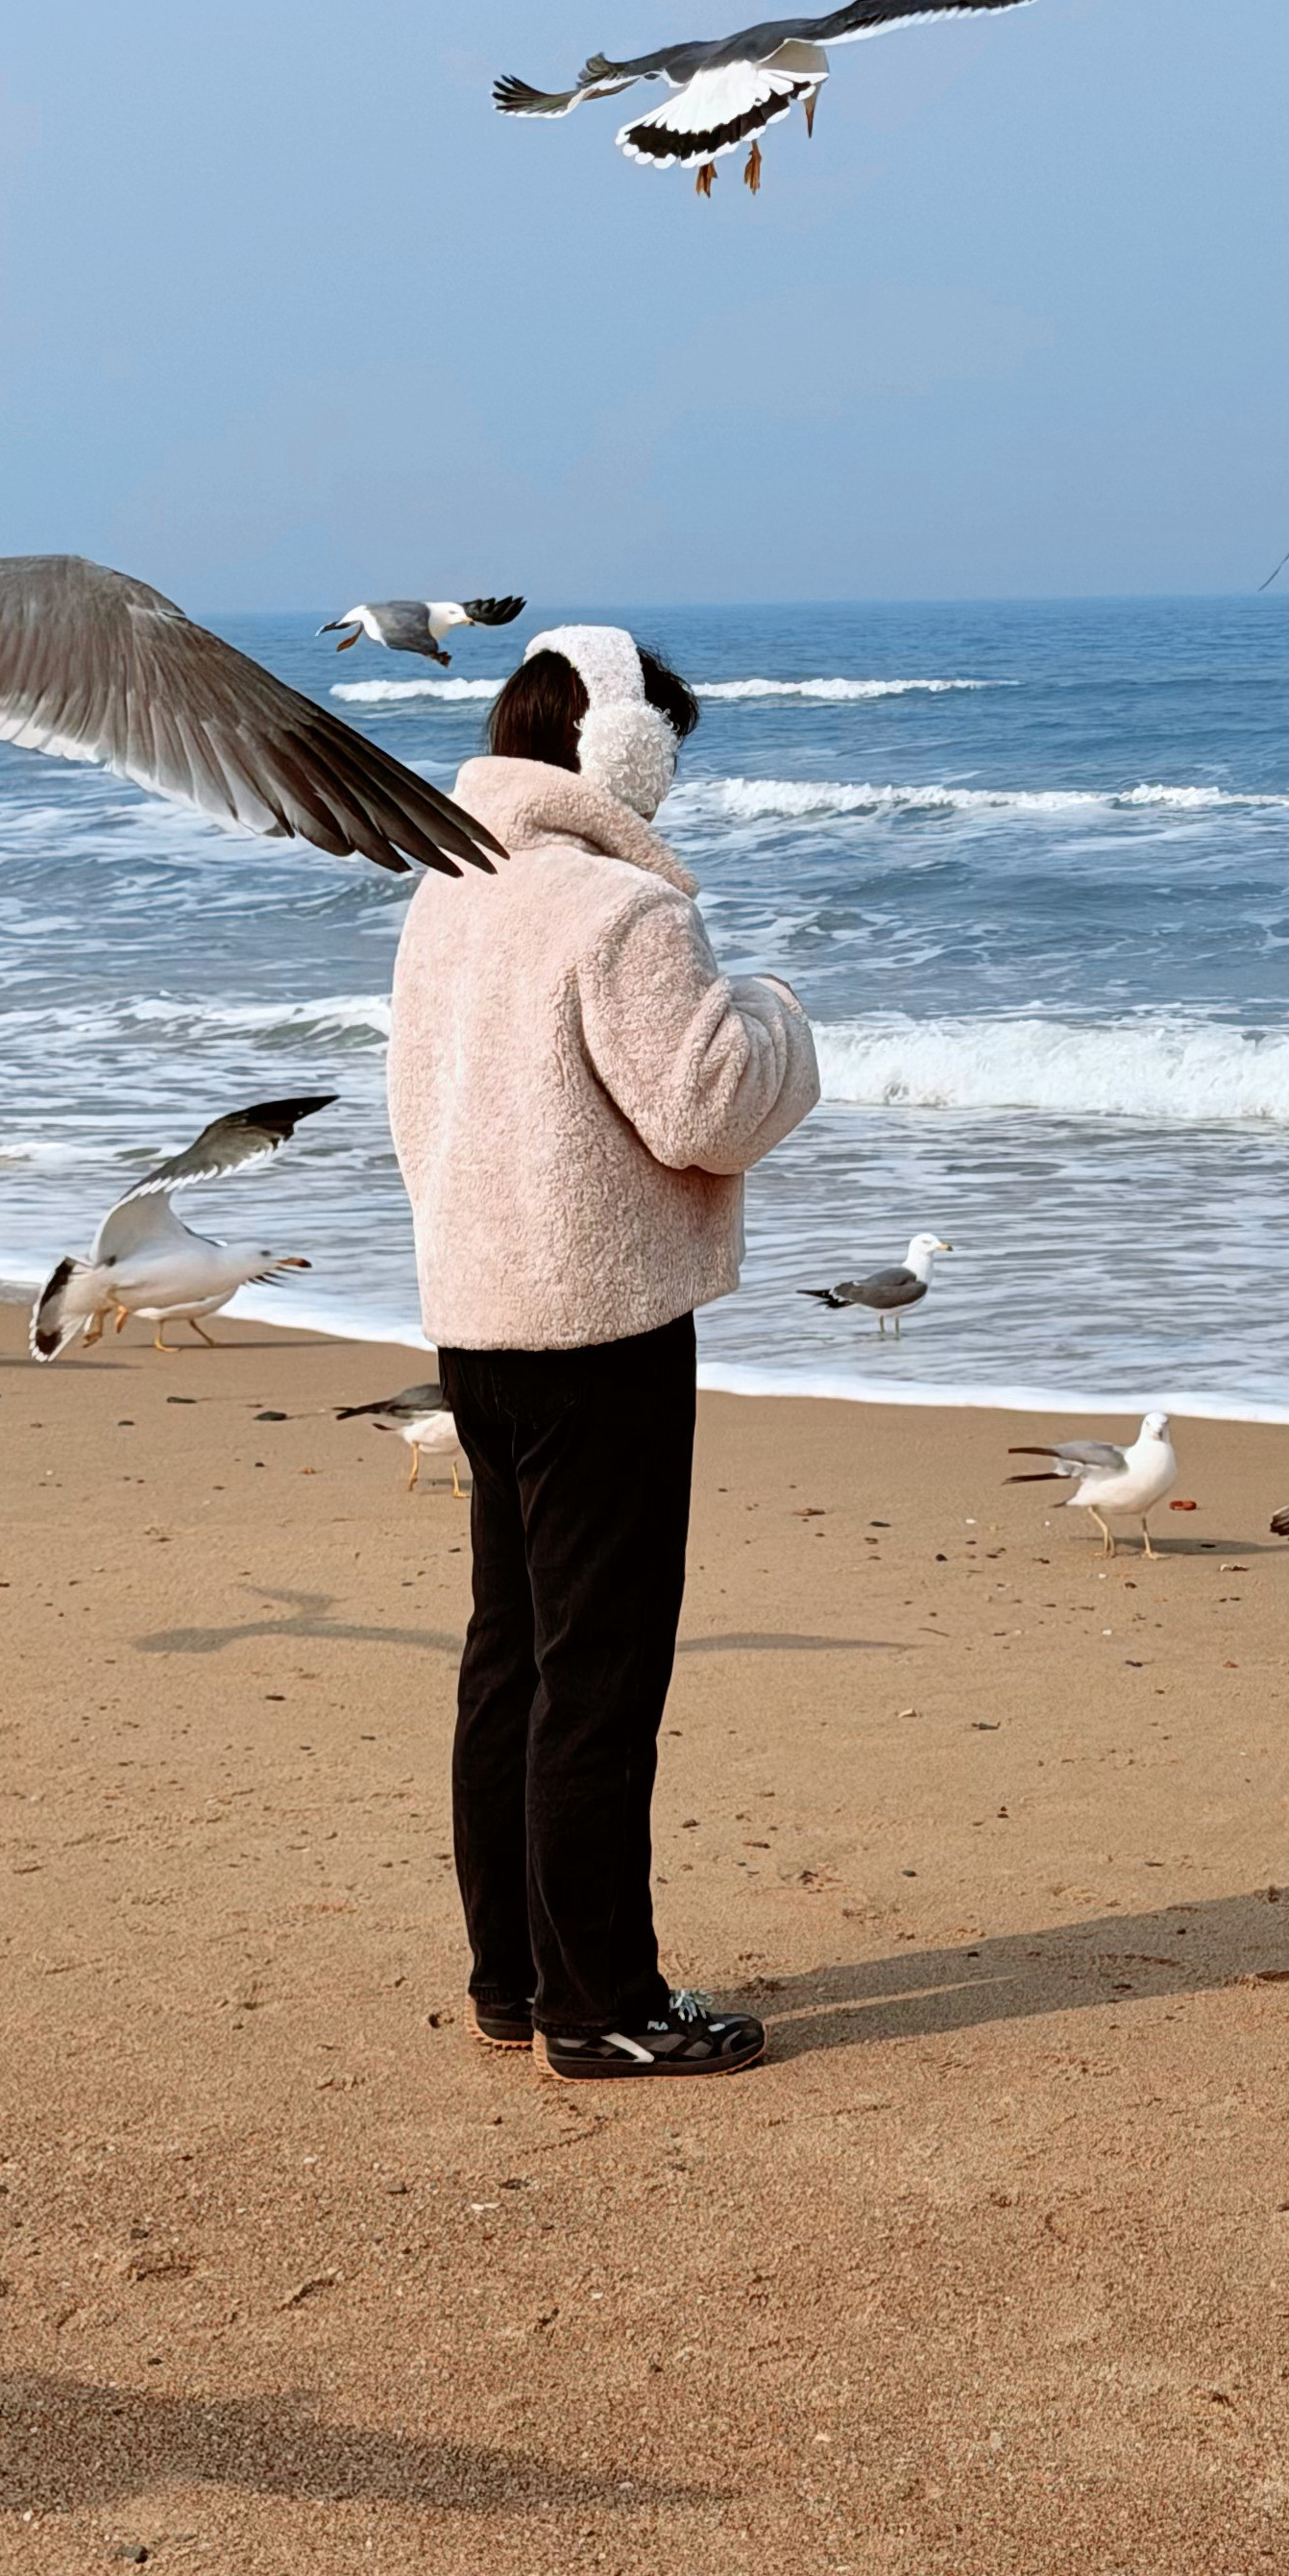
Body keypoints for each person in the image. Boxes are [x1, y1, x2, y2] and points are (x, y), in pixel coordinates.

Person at [385, 624, 818, 2077]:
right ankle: (602, 2006)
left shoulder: (447, 884)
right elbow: (708, 1107)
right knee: (601, 1675)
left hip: (478, 1318)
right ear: (622, 753)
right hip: (599, 1325)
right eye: (667, 752)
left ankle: (514, 1975)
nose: (671, 782)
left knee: (509, 1657)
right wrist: (778, 1015)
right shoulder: (618, 912)